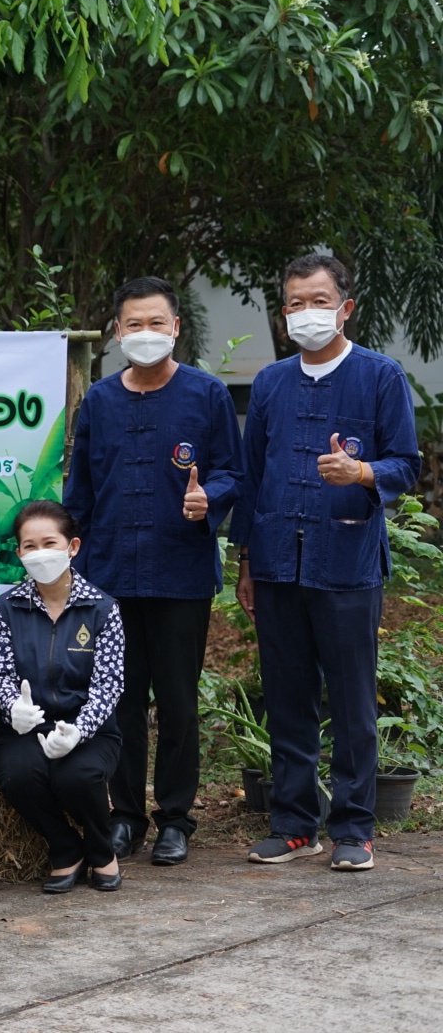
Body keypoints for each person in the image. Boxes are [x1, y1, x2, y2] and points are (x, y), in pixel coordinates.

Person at [233, 254, 421, 872]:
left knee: (351, 699)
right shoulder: (270, 383)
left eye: (318, 301)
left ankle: (354, 828)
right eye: (295, 303)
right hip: (278, 563)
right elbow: (252, 477)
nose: (306, 313)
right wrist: (247, 562)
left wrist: (363, 471)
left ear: (346, 307)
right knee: (286, 697)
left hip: (346, 560)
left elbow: (406, 464)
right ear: (283, 312)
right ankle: (292, 824)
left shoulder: (381, 376)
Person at [63, 276, 244, 868]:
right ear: (118, 332)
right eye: (133, 325)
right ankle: (125, 817)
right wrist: (73, 562)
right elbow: (80, 493)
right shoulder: (100, 401)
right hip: (109, 573)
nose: (145, 334)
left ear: (175, 328)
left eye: (155, 324)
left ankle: (175, 818)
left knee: (177, 700)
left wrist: (208, 500)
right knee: (119, 701)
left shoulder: (207, 395)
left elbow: (231, 474)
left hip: (179, 572)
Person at [0, 500, 126, 894]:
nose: (40, 553)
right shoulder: (5, 607)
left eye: (50, 542)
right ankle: (65, 849)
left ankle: (102, 852)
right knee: (18, 774)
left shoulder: (102, 609)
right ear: (18, 553)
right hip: (25, 726)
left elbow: (109, 684)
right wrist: (13, 706)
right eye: (29, 546)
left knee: (77, 775)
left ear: (73, 546)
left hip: (89, 728)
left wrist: (79, 731)